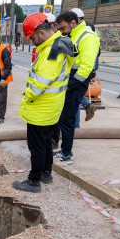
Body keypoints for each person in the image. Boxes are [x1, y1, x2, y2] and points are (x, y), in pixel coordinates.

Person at [12, 12, 75, 193]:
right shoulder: (56, 46)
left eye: (32, 38)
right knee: (46, 142)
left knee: (37, 146)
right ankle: (46, 173)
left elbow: (40, 85)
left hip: (41, 108)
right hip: (51, 107)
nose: (31, 42)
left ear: (41, 33)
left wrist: (28, 96)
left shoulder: (51, 52)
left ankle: (34, 181)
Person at [52, 10, 100, 164]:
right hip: (71, 79)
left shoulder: (88, 37)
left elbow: (86, 66)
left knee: (68, 118)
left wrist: (71, 84)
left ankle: (66, 154)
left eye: (63, 28)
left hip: (78, 81)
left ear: (73, 23)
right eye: (59, 29)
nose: (61, 32)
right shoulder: (73, 34)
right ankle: (65, 150)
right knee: (64, 116)